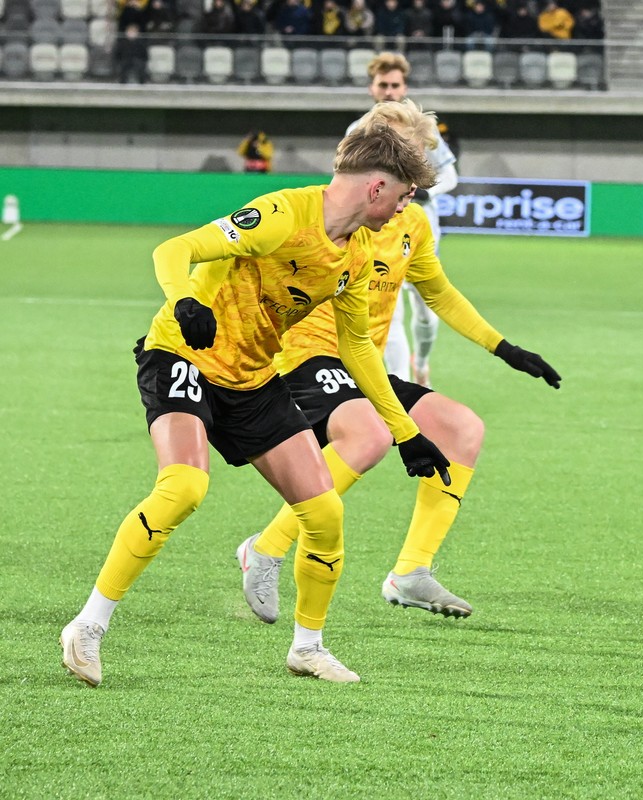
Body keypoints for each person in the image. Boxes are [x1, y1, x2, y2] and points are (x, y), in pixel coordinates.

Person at [59, 121, 449, 687]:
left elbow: (358, 347)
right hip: (184, 353)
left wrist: (405, 432)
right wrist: (186, 299)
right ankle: (88, 625)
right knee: (185, 487)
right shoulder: (283, 215)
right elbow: (177, 248)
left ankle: (307, 648)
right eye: (405, 195)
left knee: (324, 513)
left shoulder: (357, 254)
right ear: (377, 187)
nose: (404, 209)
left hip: (253, 377)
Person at [237, 101, 560, 624]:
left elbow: (440, 293)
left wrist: (505, 348)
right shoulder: (326, 213)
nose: (415, 174)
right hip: (300, 357)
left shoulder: (411, 224)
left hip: (358, 363)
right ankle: (267, 549)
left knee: (463, 429)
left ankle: (410, 573)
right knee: (368, 437)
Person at [355, 52, 460, 389]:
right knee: (392, 311)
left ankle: (423, 363)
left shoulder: (420, 130)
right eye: (382, 84)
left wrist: (425, 192)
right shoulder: (357, 131)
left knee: (427, 315)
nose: (388, 91)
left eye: (394, 85)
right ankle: (401, 390)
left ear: (404, 87)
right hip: (379, 233)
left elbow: (451, 175)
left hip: (420, 232)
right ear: (372, 88)